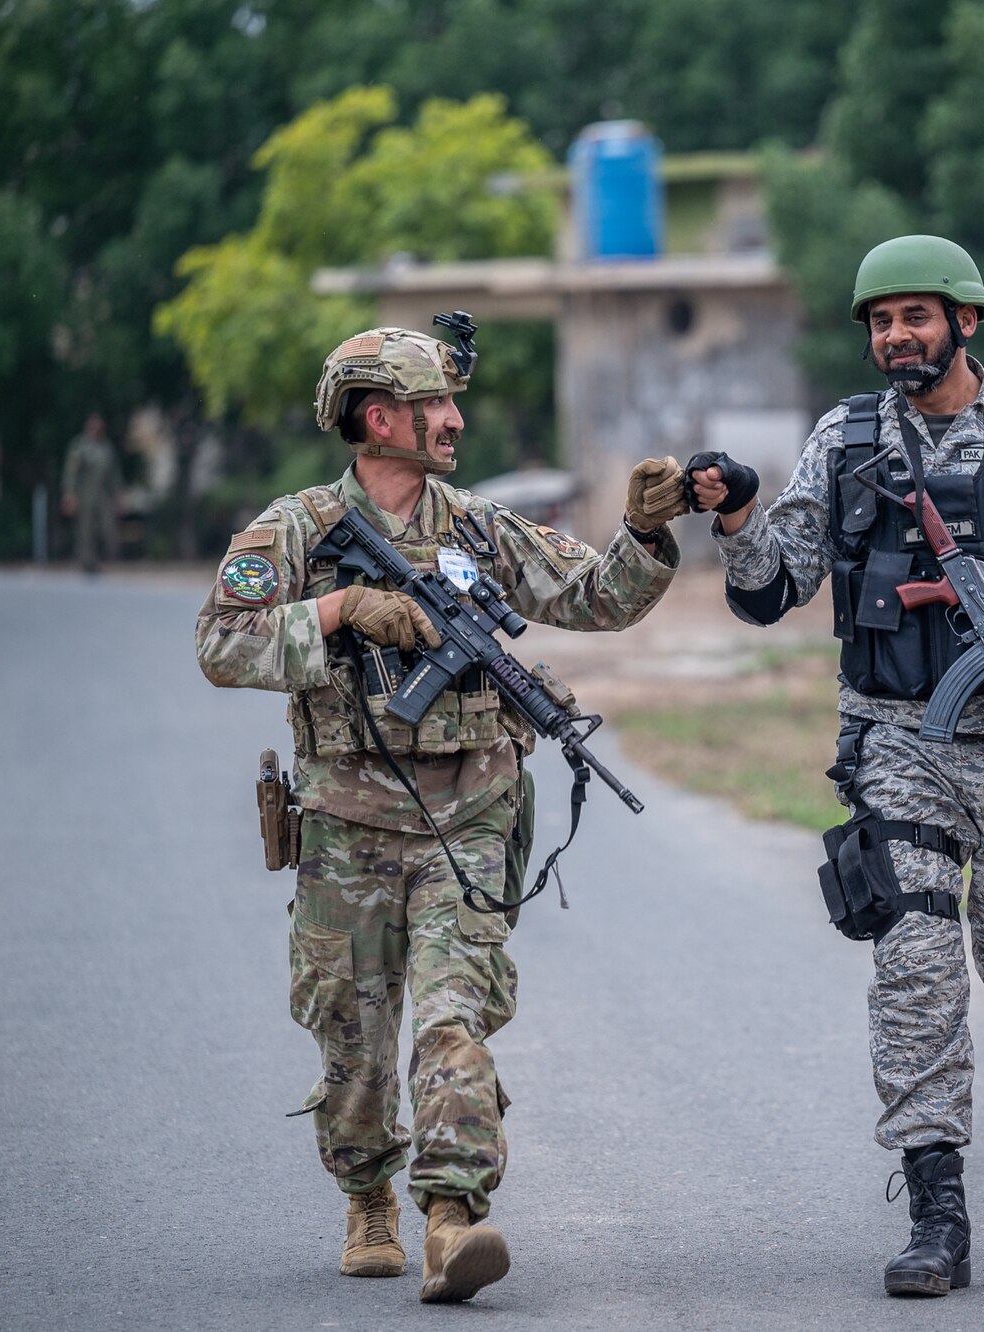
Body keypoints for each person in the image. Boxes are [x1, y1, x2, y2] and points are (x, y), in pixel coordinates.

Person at [194, 323, 688, 1304]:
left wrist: (644, 532)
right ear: (379, 420)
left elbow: (595, 599)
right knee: (354, 1038)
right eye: (437, 406)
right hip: (343, 829)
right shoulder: (293, 529)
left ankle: (452, 1217)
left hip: (467, 818)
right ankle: (366, 1190)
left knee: (454, 1018)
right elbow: (220, 643)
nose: (457, 420)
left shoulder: (482, 529)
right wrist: (338, 614)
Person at [687, 235, 984, 1296]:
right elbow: (770, 589)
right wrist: (738, 512)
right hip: (899, 745)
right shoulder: (845, 441)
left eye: (915, 317)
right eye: (880, 322)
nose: (896, 336)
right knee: (915, 973)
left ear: (963, 322)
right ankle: (937, 1207)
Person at [61, 413, 120, 573]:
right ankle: (88, 562)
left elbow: (113, 474)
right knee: (85, 529)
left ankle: (100, 557)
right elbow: (71, 471)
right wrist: (69, 493)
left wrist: (118, 493)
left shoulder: (106, 447)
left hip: (101, 493)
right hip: (84, 493)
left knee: (106, 527)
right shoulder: (79, 446)